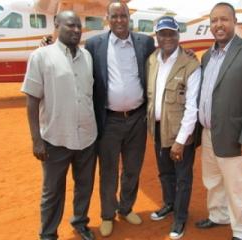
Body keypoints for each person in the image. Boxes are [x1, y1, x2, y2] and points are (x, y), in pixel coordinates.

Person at [194, 3, 242, 240]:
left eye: (224, 19)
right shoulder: (207, 55)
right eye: (214, 20)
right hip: (208, 132)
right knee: (213, 180)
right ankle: (218, 216)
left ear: (234, 21)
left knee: (237, 187)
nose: (219, 25)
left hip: (235, 135)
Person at [21, 11, 97, 240]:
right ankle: (48, 233)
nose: (76, 30)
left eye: (79, 26)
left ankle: (80, 223)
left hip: (87, 136)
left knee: (84, 186)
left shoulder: (87, 57)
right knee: (52, 191)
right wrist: (36, 140)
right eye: (70, 25)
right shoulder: (41, 56)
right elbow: (32, 100)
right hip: (55, 139)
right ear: (57, 25)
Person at [84, 1, 156, 237]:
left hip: (137, 118)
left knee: (133, 168)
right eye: (114, 16)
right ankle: (107, 214)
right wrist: (49, 45)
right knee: (108, 170)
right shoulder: (95, 44)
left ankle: (126, 208)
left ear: (129, 17)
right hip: (109, 120)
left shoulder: (145, 42)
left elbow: (159, 64)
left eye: (123, 16)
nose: (119, 20)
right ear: (107, 18)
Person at [146, 16, 201, 240]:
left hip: (181, 133)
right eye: (163, 34)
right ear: (156, 36)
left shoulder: (191, 65)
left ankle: (180, 217)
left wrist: (180, 140)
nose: (167, 38)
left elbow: (192, 107)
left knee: (182, 177)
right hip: (159, 129)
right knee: (164, 172)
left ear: (179, 36)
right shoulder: (151, 60)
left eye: (171, 33)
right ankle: (168, 204)